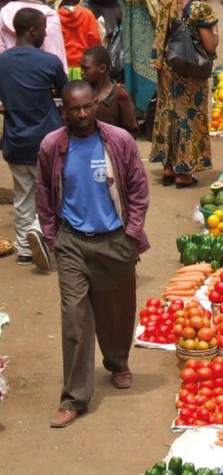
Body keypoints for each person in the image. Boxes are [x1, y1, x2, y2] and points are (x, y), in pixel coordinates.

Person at [36, 79, 150, 428]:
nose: (83, 114)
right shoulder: (52, 146)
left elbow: (138, 189)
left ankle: (117, 362)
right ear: (64, 111)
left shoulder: (118, 141)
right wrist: (54, 237)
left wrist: (131, 235)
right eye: (75, 108)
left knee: (117, 310)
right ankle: (74, 398)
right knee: (74, 319)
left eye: (88, 106)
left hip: (114, 240)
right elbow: (43, 192)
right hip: (72, 242)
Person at [0, 8, 66, 267]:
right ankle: (38, 231)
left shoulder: (2, 61)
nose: (45, 33)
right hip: (46, 140)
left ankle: (25, 249)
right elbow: (65, 92)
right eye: (43, 28)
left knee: (23, 195)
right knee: (51, 192)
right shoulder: (49, 62)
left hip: (15, 142)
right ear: (33, 30)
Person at [150, 0, 218, 188]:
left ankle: (168, 167)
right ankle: (184, 172)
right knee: (190, 118)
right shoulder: (200, 9)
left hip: (169, 66)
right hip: (190, 72)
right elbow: (210, 47)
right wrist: (214, 31)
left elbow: (162, 30)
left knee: (169, 113)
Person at [116, 0, 176, 121]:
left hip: (139, 27)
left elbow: (124, 0)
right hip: (164, 25)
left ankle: (142, 113)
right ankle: (160, 113)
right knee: (161, 67)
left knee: (142, 64)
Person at [0, 0, 67, 68]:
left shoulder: (5, 12)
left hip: (7, 77)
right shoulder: (49, 17)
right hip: (39, 79)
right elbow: (56, 57)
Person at [81, 46, 138, 135]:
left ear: (102, 69)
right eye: (81, 68)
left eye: (86, 69)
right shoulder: (82, 94)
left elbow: (131, 131)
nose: (82, 72)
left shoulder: (119, 95)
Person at [58, 0, 101, 80]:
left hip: (64, 65)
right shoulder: (87, 15)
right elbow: (95, 38)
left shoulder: (57, 16)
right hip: (84, 65)